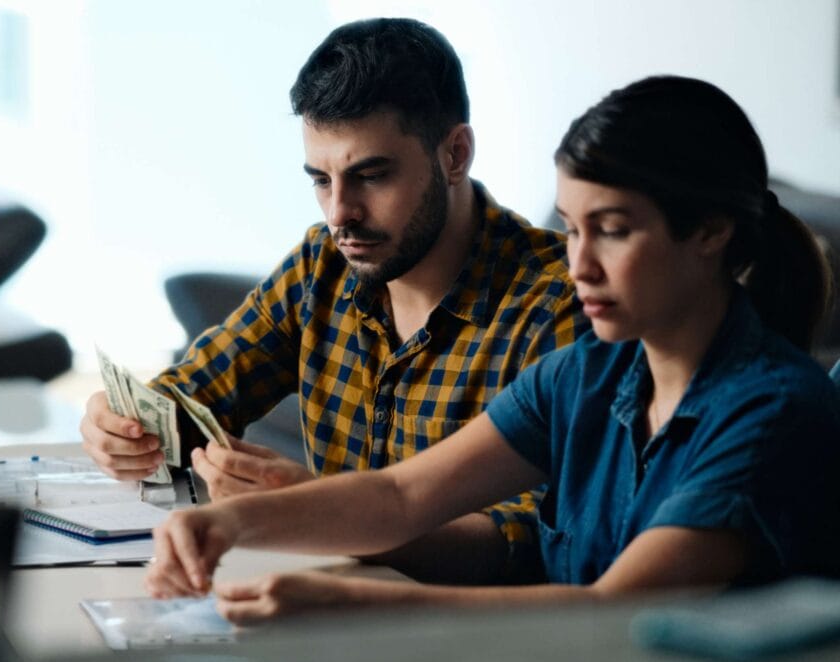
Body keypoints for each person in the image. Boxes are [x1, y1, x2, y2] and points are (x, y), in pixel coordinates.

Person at [144, 75, 840, 623]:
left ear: (711, 233)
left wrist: (348, 605)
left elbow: (615, 611)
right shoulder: (587, 374)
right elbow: (399, 495)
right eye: (571, 229)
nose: (580, 264)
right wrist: (224, 520)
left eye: (614, 230)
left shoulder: (771, 410)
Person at [81, 18, 587, 584]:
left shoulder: (562, 305)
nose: (338, 212)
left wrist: (320, 510)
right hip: (323, 613)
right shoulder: (321, 266)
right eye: (321, 180)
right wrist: (119, 428)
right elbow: (192, 399)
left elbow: (530, 544)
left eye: (370, 175)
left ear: (455, 154)